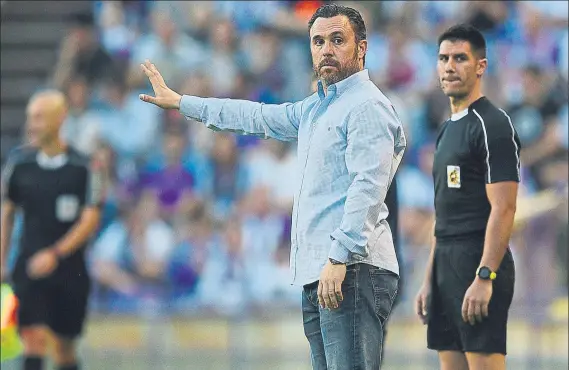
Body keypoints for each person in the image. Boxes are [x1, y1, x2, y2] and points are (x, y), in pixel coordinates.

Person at [138, 3, 406, 369]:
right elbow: (255, 116)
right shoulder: (316, 109)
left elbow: (369, 187)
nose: (326, 49)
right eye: (318, 41)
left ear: (362, 47)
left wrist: (338, 257)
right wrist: (183, 103)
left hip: (350, 268)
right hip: (323, 270)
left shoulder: (366, 106)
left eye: (337, 40)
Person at [414, 24, 521, 370]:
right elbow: (442, 216)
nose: (449, 66)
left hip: (478, 264)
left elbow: (504, 208)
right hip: (445, 266)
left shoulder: (492, 124)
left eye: (460, 58)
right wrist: (430, 280)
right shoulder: (446, 129)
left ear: (480, 66)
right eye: (443, 58)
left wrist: (485, 276)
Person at [0, 90, 103, 370]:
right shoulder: (19, 164)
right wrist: (2, 262)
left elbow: (90, 218)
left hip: (70, 269)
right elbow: (7, 212)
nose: (32, 124)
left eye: (39, 117)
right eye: (30, 118)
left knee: (63, 349)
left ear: (60, 119)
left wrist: (56, 254)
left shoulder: (85, 167)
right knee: (32, 339)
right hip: (29, 265)